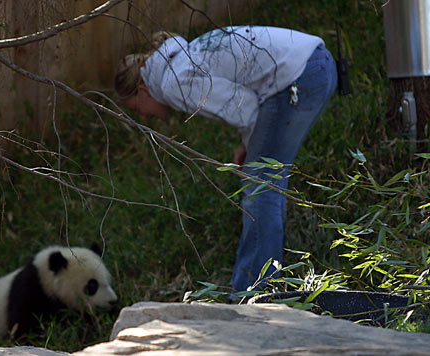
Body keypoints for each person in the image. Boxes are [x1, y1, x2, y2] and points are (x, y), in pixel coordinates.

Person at [114, 26, 337, 294]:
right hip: (313, 63)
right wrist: (247, 144)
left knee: (261, 189)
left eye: (137, 109)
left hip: (297, 77)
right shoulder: (181, 60)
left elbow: (247, 110)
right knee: (266, 186)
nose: (144, 117)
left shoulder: (174, 83)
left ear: (142, 90)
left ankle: (252, 295)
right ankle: (265, 287)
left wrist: (249, 143)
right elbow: (246, 105)